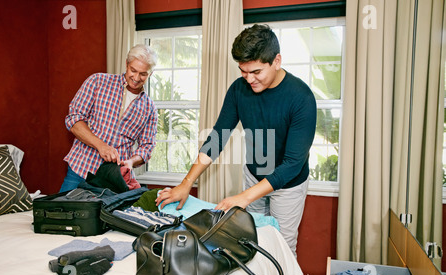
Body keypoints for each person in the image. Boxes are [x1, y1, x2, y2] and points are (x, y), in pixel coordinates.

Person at [155, 24, 316, 258]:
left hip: (288, 184)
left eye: (257, 72)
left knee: (281, 249)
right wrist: (186, 183)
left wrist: (244, 197)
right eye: (243, 71)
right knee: (252, 242)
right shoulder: (238, 90)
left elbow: (292, 164)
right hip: (254, 174)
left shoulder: (301, 98)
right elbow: (217, 137)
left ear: (277, 61)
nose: (249, 79)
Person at [59, 44, 158, 192]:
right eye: (133, 70)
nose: (136, 78)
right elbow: (74, 119)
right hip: (80, 169)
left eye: (143, 74)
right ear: (126, 64)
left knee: (107, 217)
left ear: (151, 73)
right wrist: (101, 146)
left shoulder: (150, 107)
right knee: (60, 214)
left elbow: (147, 147)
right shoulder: (97, 81)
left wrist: (131, 162)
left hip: (114, 180)